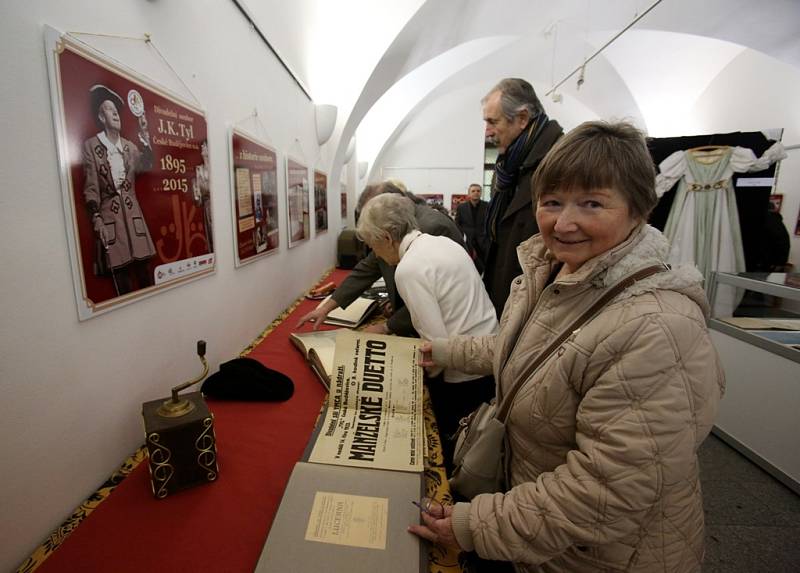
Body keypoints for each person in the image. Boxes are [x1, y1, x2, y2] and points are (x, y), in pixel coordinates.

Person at [409, 121, 725, 573]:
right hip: (544, 534)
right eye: (552, 202)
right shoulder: (556, 273)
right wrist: (442, 350)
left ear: (639, 210)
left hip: (601, 557)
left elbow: (608, 490)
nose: (564, 222)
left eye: (591, 203)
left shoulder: (658, 326)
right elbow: (527, 350)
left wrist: (476, 524)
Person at [356, 193, 498, 469]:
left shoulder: (409, 268)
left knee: (457, 453)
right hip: (489, 356)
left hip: (462, 377)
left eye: (372, 244)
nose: (374, 252)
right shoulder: (441, 242)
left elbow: (436, 348)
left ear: (386, 237)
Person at [296, 180, 465, 336]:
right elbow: (368, 267)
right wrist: (326, 308)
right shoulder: (397, 226)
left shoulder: (432, 228)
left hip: (451, 333)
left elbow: (434, 298)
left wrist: (388, 326)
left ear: (390, 206)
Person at [482, 78, 563, 316]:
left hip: (538, 305)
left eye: (492, 121)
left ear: (523, 118)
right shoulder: (508, 168)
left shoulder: (559, 163)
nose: (487, 132)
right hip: (509, 296)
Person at [82, 84, 155, 295]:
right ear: (101, 116)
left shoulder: (130, 147)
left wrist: (144, 133)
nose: (115, 113)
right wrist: (97, 219)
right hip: (111, 225)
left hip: (135, 222)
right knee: (123, 286)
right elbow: (91, 189)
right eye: (109, 109)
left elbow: (147, 164)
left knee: (146, 280)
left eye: (116, 110)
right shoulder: (91, 147)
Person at [455, 183, 489, 273]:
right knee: (467, 267)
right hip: (467, 242)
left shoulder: (487, 206)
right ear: (469, 194)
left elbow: (489, 223)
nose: (476, 193)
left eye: (478, 191)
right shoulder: (461, 207)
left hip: (482, 243)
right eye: (473, 191)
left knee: (482, 268)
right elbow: (457, 225)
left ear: (481, 193)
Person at [193, 139, 213, 252]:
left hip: (217, 209)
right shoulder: (199, 170)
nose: (202, 147)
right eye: (202, 145)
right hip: (206, 208)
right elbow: (198, 201)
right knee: (211, 239)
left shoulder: (216, 169)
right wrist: (196, 194)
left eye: (204, 145)